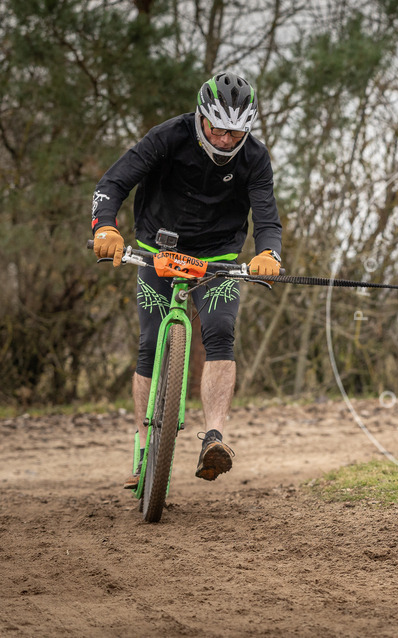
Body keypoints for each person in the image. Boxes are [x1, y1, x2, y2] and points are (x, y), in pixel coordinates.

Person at [91, 72, 283, 488]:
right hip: (158, 247)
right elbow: (113, 183)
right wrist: (104, 228)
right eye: (218, 129)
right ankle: (144, 444)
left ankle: (214, 438)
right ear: (201, 118)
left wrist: (269, 253)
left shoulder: (255, 157)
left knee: (220, 333)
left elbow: (267, 218)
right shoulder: (167, 137)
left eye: (236, 132)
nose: (226, 139)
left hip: (218, 254)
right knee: (147, 342)